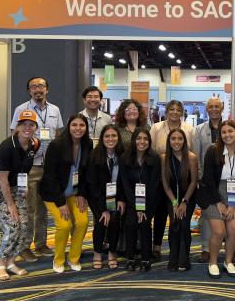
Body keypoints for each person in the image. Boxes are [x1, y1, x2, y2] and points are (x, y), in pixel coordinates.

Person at [10, 77, 64, 261]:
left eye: (41, 86)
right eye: (33, 86)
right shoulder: (21, 109)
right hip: (29, 167)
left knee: (43, 209)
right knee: (28, 209)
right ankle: (24, 247)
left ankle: (41, 244)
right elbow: (14, 137)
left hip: (48, 167)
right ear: (29, 91)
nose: (37, 89)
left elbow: (57, 136)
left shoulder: (55, 109)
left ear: (47, 89)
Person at [0, 110, 40, 280]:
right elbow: (3, 180)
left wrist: (24, 189)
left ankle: (11, 261)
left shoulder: (34, 144)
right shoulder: (7, 146)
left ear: (35, 127)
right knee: (12, 225)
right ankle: (0, 264)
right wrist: (11, 205)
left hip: (16, 187)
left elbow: (24, 170)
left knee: (24, 226)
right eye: (23, 124)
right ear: (17, 127)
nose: (27, 128)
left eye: (31, 125)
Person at [197, 121, 235, 279]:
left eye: (230, 131)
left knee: (234, 232)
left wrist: (233, 205)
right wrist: (218, 202)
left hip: (232, 192)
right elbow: (208, 178)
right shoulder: (213, 151)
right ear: (220, 135)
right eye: (223, 132)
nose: (227, 135)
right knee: (219, 231)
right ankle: (213, 263)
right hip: (212, 193)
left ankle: (228, 262)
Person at [39, 114, 92, 273]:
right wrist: (61, 203)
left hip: (75, 193)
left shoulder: (88, 144)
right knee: (64, 225)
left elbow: (86, 172)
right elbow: (50, 176)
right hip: (54, 194)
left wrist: (82, 193)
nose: (78, 129)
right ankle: (59, 259)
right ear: (68, 127)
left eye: (81, 125)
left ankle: (74, 258)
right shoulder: (57, 145)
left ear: (86, 128)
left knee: (82, 222)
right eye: (74, 125)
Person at [149, 100, 196, 260]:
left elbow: (192, 153)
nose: (174, 112)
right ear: (166, 111)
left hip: (182, 179)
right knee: (161, 213)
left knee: (180, 219)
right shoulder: (156, 127)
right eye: (171, 109)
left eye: (178, 109)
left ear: (182, 112)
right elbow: (151, 150)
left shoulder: (189, 129)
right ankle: (157, 246)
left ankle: (181, 253)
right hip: (161, 176)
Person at [84, 124, 125, 269]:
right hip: (97, 197)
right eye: (107, 136)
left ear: (118, 138)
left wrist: (121, 199)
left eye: (113, 136)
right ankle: (97, 252)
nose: (110, 139)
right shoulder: (95, 156)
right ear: (102, 139)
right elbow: (93, 184)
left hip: (115, 196)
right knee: (102, 221)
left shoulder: (122, 154)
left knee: (114, 221)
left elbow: (124, 180)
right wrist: (103, 209)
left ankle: (112, 253)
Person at [120, 127, 161, 272]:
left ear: (149, 142)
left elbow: (154, 185)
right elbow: (125, 185)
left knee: (144, 224)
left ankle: (145, 258)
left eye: (145, 139)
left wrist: (143, 208)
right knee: (130, 223)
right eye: (139, 138)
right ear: (133, 141)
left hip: (150, 200)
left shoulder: (155, 158)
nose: (142, 142)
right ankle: (130, 257)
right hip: (131, 200)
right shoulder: (125, 158)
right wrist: (136, 207)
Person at [160, 129, 198, 271]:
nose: (176, 142)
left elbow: (194, 182)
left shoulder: (191, 157)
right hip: (171, 197)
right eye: (173, 139)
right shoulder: (164, 158)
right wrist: (175, 203)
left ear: (184, 141)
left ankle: (184, 258)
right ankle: (173, 257)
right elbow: (165, 183)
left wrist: (184, 202)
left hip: (189, 196)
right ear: (169, 141)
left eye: (180, 139)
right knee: (174, 223)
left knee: (184, 224)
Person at [194, 96, 223, 262]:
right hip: (206, 179)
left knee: (228, 214)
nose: (213, 109)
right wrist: (199, 178)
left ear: (222, 108)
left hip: (227, 179)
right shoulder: (199, 130)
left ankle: (228, 248)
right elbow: (196, 155)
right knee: (206, 214)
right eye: (210, 106)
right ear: (206, 109)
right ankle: (205, 248)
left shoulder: (231, 127)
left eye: (216, 106)